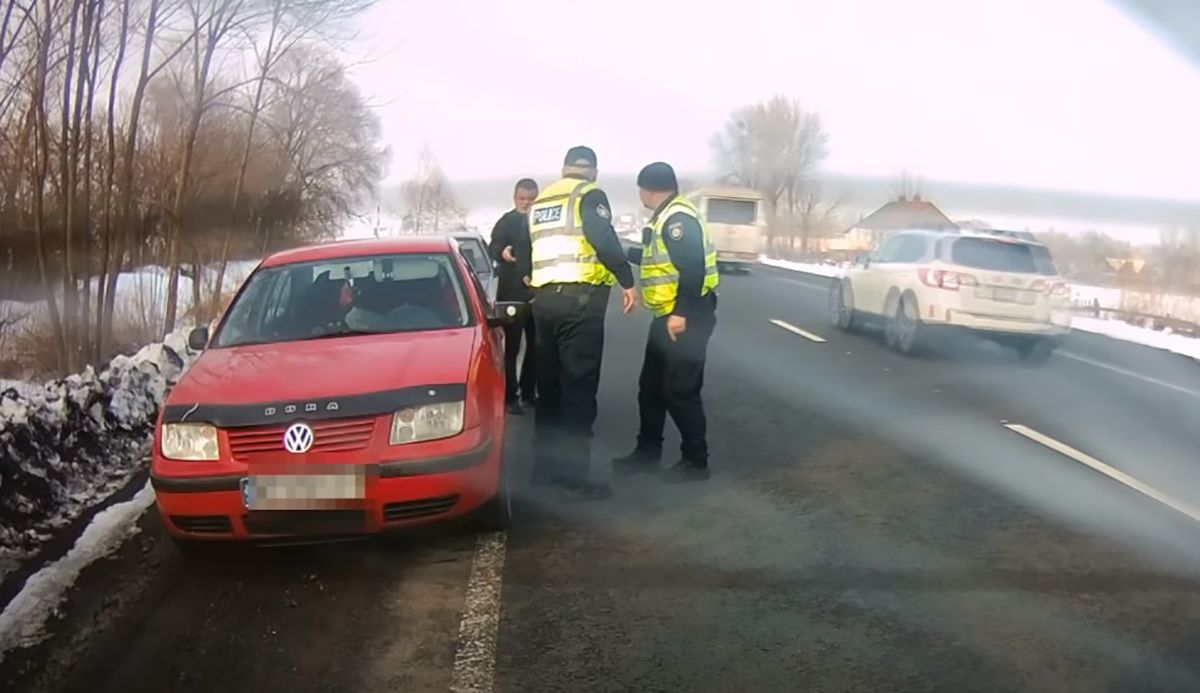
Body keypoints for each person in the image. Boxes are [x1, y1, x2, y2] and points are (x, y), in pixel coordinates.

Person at [528, 146, 638, 500]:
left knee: (549, 389)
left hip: (544, 302)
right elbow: (602, 237)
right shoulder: (589, 195)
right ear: (592, 171)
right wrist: (626, 278)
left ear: (564, 168)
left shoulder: (543, 200)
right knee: (578, 386)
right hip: (580, 303)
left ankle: (543, 469)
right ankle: (575, 475)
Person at [614, 162, 719, 482]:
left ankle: (696, 461)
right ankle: (647, 452)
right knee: (651, 389)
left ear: (649, 188)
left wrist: (680, 314)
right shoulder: (665, 216)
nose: (640, 195)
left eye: (641, 189)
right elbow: (654, 258)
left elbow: (692, 268)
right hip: (666, 316)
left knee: (680, 390)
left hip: (686, 316)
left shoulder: (678, 219)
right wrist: (617, 253)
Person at [488, 178, 539, 415]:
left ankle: (530, 393)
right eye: (522, 199)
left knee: (538, 346)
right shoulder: (506, 222)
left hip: (538, 292)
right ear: (515, 198)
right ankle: (510, 397)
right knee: (512, 348)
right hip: (511, 295)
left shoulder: (542, 222)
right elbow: (493, 247)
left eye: (531, 200)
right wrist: (502, 252)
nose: (526, 204)